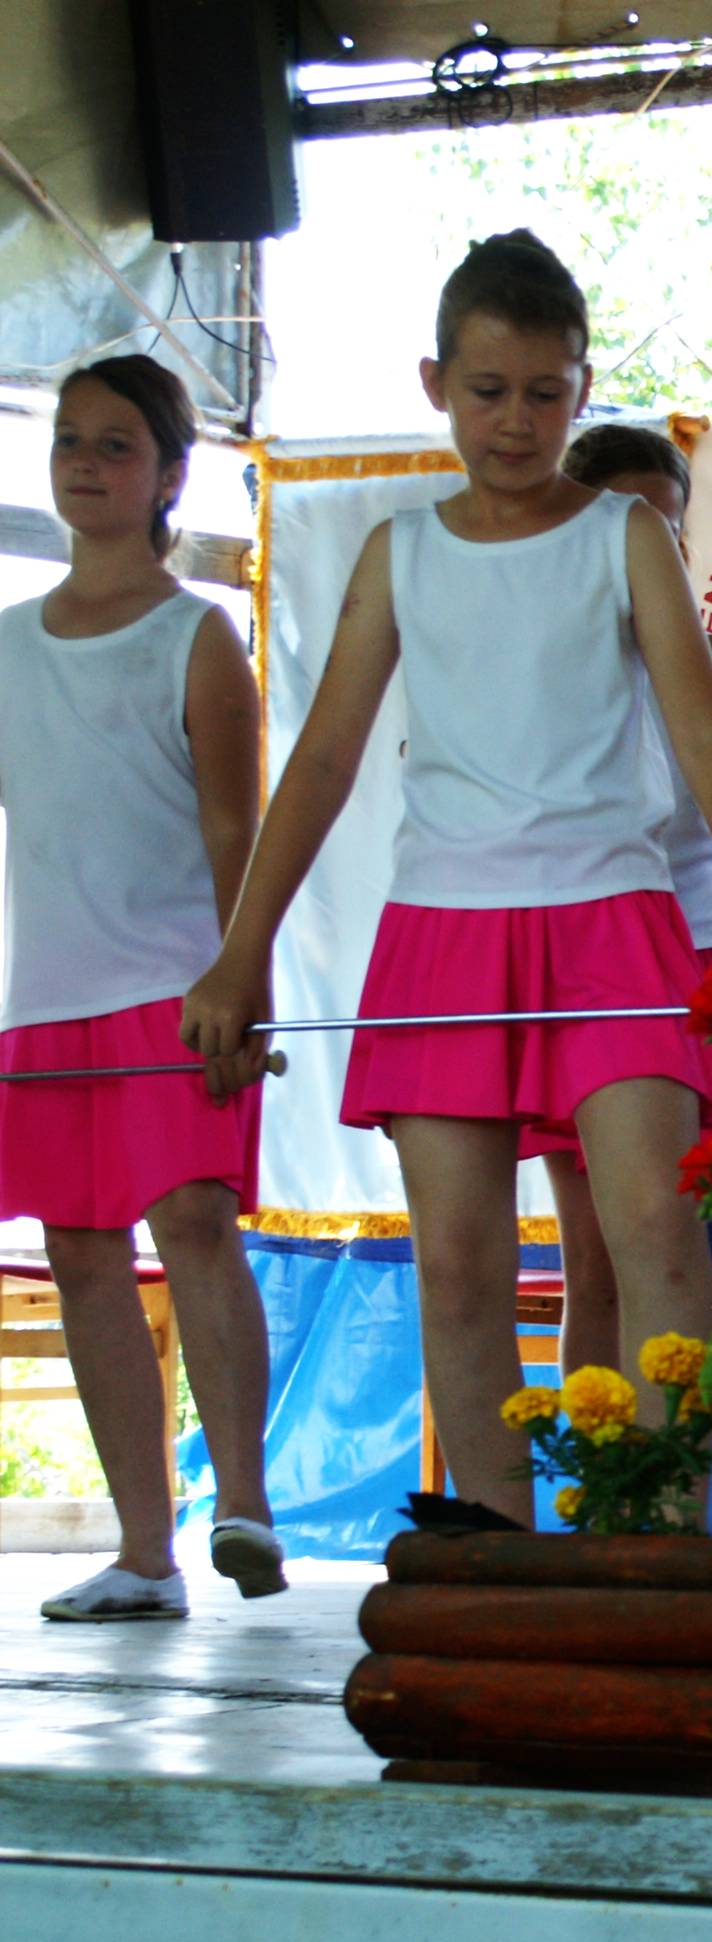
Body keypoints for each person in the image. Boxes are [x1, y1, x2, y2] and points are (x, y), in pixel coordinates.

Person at [182, 231, 712, 1519]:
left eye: (543, 392)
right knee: (457, 1269)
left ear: (582, 393)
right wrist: (240, 954)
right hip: (443, 935)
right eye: (487, 390)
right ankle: (500, 1559)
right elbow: (320, 764)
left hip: (617, 927)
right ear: (434, 384)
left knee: (655, 1241)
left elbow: (707, 735)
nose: (514, 420)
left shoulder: (625, 533)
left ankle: (655, 1537)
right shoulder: (399, 552)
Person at [5, 358, 279, 1619]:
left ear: (170, 475)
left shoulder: (196, 633)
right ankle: (141, 1550)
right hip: (47, 995)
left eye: (116, 445)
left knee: (194, 1222)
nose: (84, 462)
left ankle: (245, 1507)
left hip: (179, 989)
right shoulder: (7, 646)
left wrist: (243, 984)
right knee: (77, 1249)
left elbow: (242, 834)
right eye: (70, 440)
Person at [537, 423, 712, 1386]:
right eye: (634, 523)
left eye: (674, 527)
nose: (661, 547)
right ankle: (610, 1508)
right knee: (601, 1261)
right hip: (594, 979)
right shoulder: (544, 672)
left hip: (710, 966)